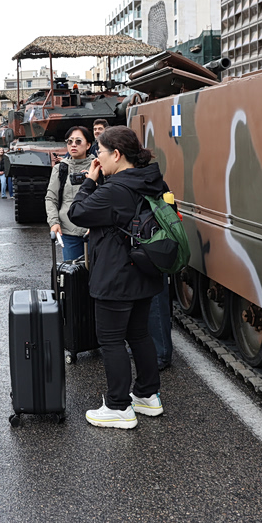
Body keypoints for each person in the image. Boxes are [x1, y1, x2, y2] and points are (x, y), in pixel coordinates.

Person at [68, 125, 167, 429]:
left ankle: (118, 406)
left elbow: (77, 212)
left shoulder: (114, 190)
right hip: (144, 271)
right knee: (139, 334)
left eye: (100, 152)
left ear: (117, 154)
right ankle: (147, 396)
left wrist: (89, 181)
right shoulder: (151, 180)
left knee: (111, 340)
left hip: (116, 275)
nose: (97, 159)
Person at [45, 126, 94, 262]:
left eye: (78, 141)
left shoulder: (98, 166)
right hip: (69, 232)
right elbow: (51, 198)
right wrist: (54, 222)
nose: (73, 145)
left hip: (94, 231)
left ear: (88, 145)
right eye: (70, 141)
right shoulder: (60, 168)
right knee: (72, 271)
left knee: (97, 272)